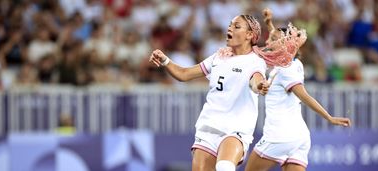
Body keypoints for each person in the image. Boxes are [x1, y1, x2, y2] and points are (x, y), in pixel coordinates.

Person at [149, 12, 297, 171]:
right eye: (230, 25)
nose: (230, 28)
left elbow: (256, 79)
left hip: (235, 130)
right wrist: (165, 60)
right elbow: (184, 74)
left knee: (224, 167)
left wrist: (259, 86)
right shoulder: (218, 57)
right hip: (208, 128)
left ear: (249, 35)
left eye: (237, 26)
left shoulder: (255, 60)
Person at [244, 8, 352, 171]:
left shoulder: (286, 68)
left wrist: (329, 118)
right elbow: (278, 37)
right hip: (299, 137)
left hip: (279, 136)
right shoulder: (293, 63)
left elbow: (304, 96)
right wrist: (269, 23)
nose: (268, 42)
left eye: (273, 39)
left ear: (285, 45)